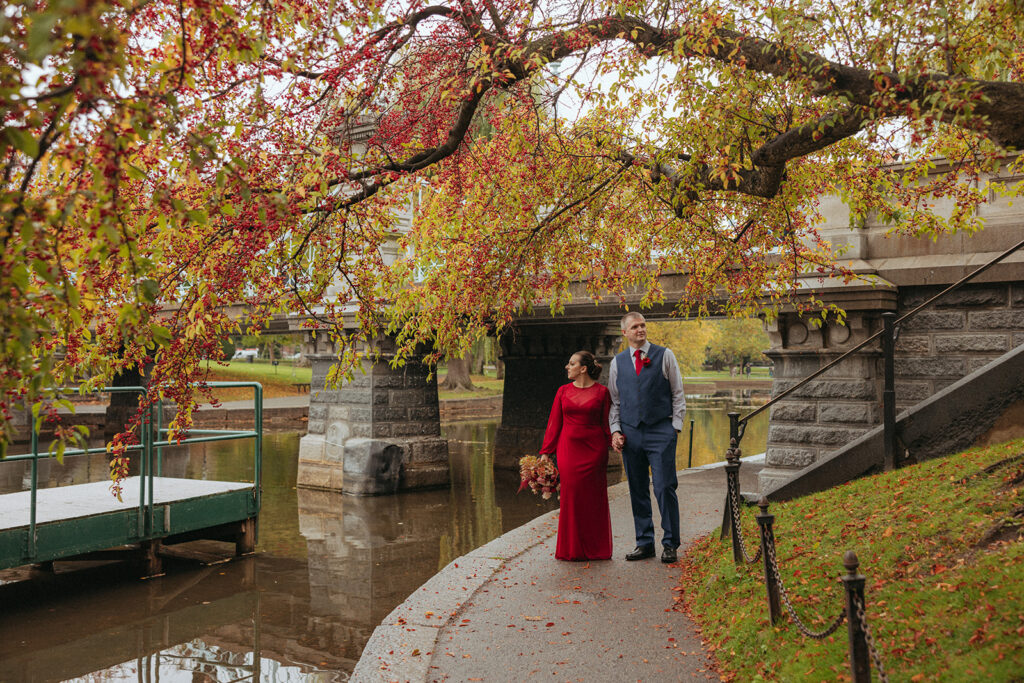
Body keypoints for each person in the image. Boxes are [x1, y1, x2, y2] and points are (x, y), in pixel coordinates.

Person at [609, 312, 686, 564]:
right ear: (625, 333)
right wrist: (616, 430)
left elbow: (677, 393)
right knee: (637, 488)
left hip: (660, 431)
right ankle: (644, 543)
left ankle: (670, 543)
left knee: (664, 487)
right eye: (635, 327)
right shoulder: (617, 362)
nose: (640, 330)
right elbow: (615, 402)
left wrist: (674, 427)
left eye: (643, 325)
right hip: (631, 434)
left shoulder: (665, 355)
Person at [539, 351, 613, 561]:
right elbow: (554, 424)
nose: (567, 367)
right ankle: (571, 549)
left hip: (594, 452)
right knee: (571, 498)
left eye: (571, 363)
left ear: (583, 369)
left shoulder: (602, 392)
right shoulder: (562, 391)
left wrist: (615, 442)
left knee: (593, 500)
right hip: (568, 451)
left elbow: (606, 423)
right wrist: (546, 452)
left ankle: (596, 549)